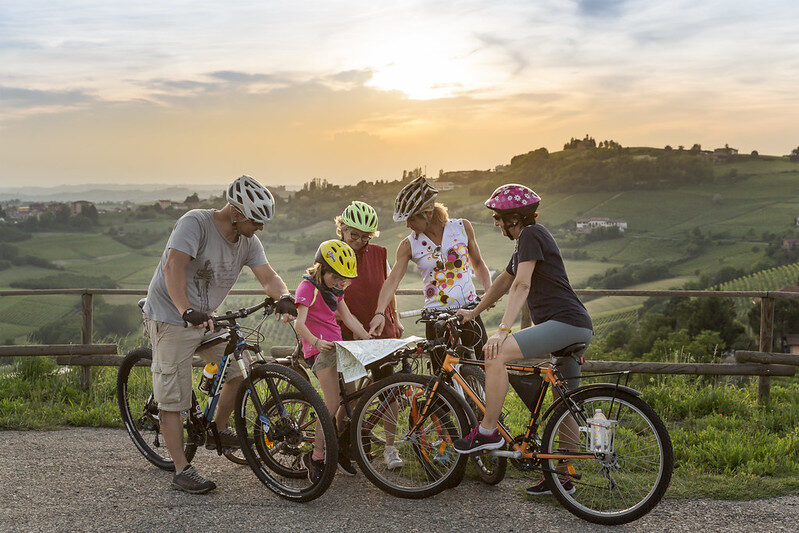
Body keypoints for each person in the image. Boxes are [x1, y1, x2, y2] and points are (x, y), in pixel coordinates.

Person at [142, 175, 298, 494]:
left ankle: (218, 428)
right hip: (172, 316)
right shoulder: (195, 223)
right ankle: (182, 469)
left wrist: (283, 295)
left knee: (239, 367)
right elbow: (174, 266)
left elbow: (268, 276)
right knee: (174, 399)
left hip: (205, 319)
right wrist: (185, 310)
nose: (261, 228)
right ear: (237, 213)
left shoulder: (248, 241)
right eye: (257, 220)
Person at [450, 184, 593, 497]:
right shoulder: (528, 241)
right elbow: (504, 281)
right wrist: (474, 312)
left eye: (499, 218)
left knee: (496, 356)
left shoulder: (531, 235)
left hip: (565, 323)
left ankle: (488, 432)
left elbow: (521, 286)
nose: (497, 224)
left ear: (514, 218)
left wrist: (502, 331)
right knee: (563, 401)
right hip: (576, 325)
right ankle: (562, 477)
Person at [369, 177, 492, 364]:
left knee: (484, 366)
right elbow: (392, 281)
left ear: (427, 212)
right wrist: (379, 313)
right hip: (436, 317)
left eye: (411, 218)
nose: (407, 225)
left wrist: (489, 291)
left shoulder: (462, 227)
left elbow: (479, 264)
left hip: (468, 311)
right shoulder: (408, 244)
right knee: (443, 381)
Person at [293, 239, 371, 483]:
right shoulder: (307, 289)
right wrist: (315, 342)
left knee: (352, 398)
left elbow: (347, 318)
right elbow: (299, 324)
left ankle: (337, 449)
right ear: (322, 268)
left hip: (338, 347)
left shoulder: (335, 290)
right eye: (337, 277)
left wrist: (367, 338)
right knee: (331, 403)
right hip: (319, 350)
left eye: (346, 279)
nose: (342, 283)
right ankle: (315, 456)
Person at [334, 201, 404, 473]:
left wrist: (394, 319)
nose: (359, 242)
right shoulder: (330, 253)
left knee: (389, 390)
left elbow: (388, 288)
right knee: (349, 397)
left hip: (379, 329)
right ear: (342, 229)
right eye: (354, 235)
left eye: (365, 236)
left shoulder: (378, 254)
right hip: (347, 333)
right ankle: (340, 445)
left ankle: (390, 447)